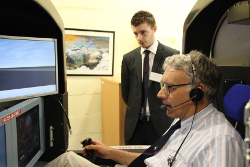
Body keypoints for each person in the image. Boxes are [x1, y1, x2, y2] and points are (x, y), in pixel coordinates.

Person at [45, 50, 244, 167]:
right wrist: (110, 153)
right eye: (162, 85)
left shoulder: (221, 141)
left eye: (170, 88)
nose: (160, 94)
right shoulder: (182, 121)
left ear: (197, 92)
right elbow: (152, 160)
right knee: (69, 159)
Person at [121, 10, 179, 145]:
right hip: (135, 126)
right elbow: (126, 93)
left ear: (154, 29)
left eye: (143, 32)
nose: (139, 38)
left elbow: (176, 90)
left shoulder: (172, 55)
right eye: (135, 33)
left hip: (161, 124)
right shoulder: (128, 58)